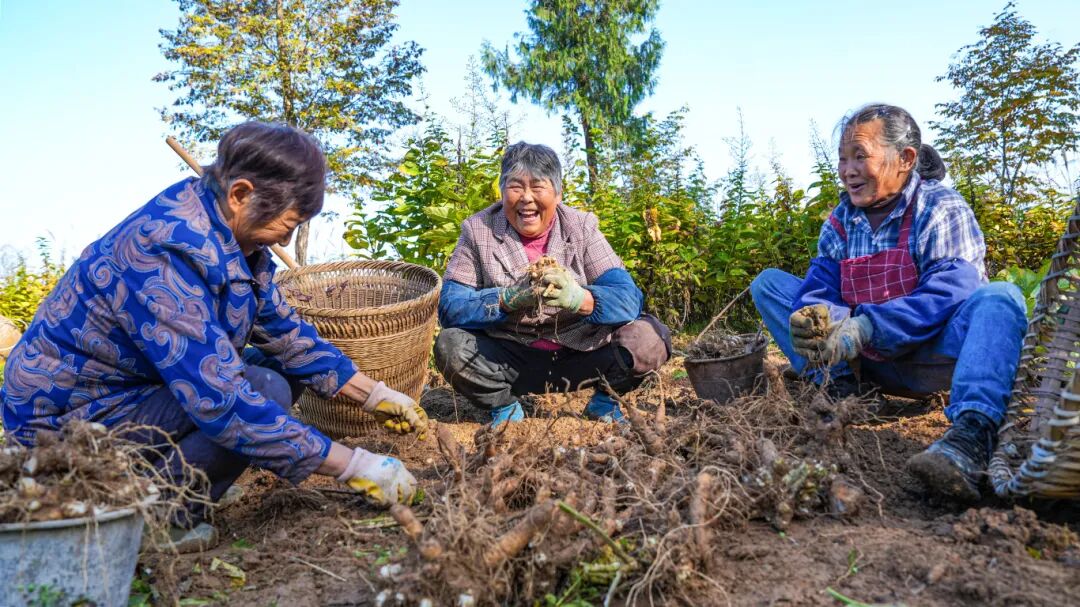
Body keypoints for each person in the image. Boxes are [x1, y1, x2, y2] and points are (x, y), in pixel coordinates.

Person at [1, 122, 426, 544]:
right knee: (263, 388)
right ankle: (157, 515)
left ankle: (193, 477)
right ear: (241, 194)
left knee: (276, 367)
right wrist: (354, 466)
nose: (287, 236)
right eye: (289, 222)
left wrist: (373, 394)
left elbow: (283, 331)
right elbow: (219, 397)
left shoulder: (230, 234)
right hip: (67, 426)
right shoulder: (163, 253)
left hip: (134, 395)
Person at [749, 104, 1027, 502]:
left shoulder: (939, 207)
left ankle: (970, 436)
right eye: (843, 159)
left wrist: (866, 327)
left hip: (933, 362)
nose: (847, 170)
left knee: (1001, 297)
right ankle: (844, 388)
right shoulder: (842, 221)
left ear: (906, 159)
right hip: (869, 366)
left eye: (860, 156)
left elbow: (951, 290)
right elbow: (820, 288)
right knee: (770, 285)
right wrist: (819, 320)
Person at [434, 142, 671, 425]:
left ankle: (604, 402)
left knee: (651, 338)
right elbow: (450, 307)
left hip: (581, 353)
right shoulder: (478, 230)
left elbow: (628, 298)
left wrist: (580, 299)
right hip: (510, 358)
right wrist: (506, 299)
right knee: (450, 346)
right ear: (502, 190)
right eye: (515, 186)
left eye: (538, 187)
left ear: (558, 194)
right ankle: (505, 408)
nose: (526, 198)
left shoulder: (581, 227)